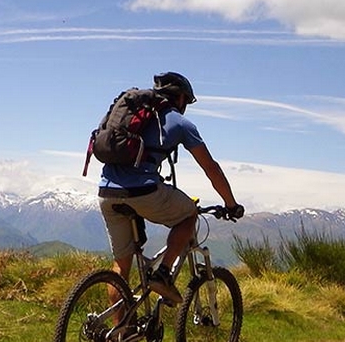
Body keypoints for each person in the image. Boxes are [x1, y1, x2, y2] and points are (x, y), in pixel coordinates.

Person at [98, 71, 244, 305]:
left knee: (120, 268)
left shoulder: (137, 114)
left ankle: (119, 337)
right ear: (181, 99)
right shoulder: (180, 122)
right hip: (142, 192)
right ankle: (163, 274)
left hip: (106, 192)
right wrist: (231, 204)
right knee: (188, 214)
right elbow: (210, 168)